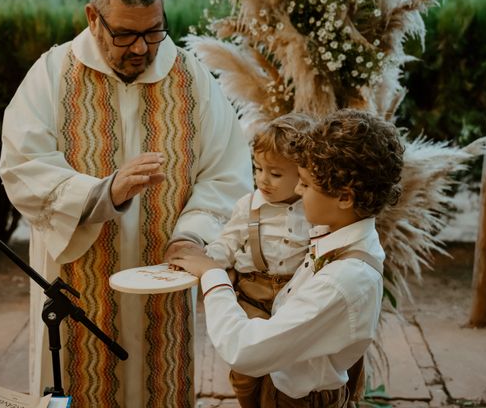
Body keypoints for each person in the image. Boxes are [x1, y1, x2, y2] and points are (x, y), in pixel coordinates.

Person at [0, 0, 252, 408]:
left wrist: (192, 236)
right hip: (80, 287)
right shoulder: (53, 74)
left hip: (165, 284)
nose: (141, 49)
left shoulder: (191, 78)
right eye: (125, 34)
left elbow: (227, 173)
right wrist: (102, 193)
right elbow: (23, 165)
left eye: (154, 31)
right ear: (92, 18)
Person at [170, 109, 404, 407]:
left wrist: (212, 275)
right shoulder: (338, 236)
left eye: (305, 184)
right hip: (284, 383)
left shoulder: (343, 281)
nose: (296, 190)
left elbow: (244, 350)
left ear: (345, 197)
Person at [202, 113, 313, 407]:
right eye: (258, 168)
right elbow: (228, 241)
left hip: (295, 300)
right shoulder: (248, 205)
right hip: (254, 298)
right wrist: (209, 258)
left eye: (275, 174)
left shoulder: (313, 210)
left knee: (287, 371)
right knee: (246, 368)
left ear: (304, 174)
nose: (263, 179)